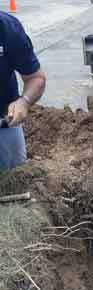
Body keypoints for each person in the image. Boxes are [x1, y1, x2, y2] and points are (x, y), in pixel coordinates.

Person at [0, 11, 46, 170]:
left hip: (3, 126)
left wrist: (24, 102)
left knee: (16, 178)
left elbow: (35, 78)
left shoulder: (6, 27)